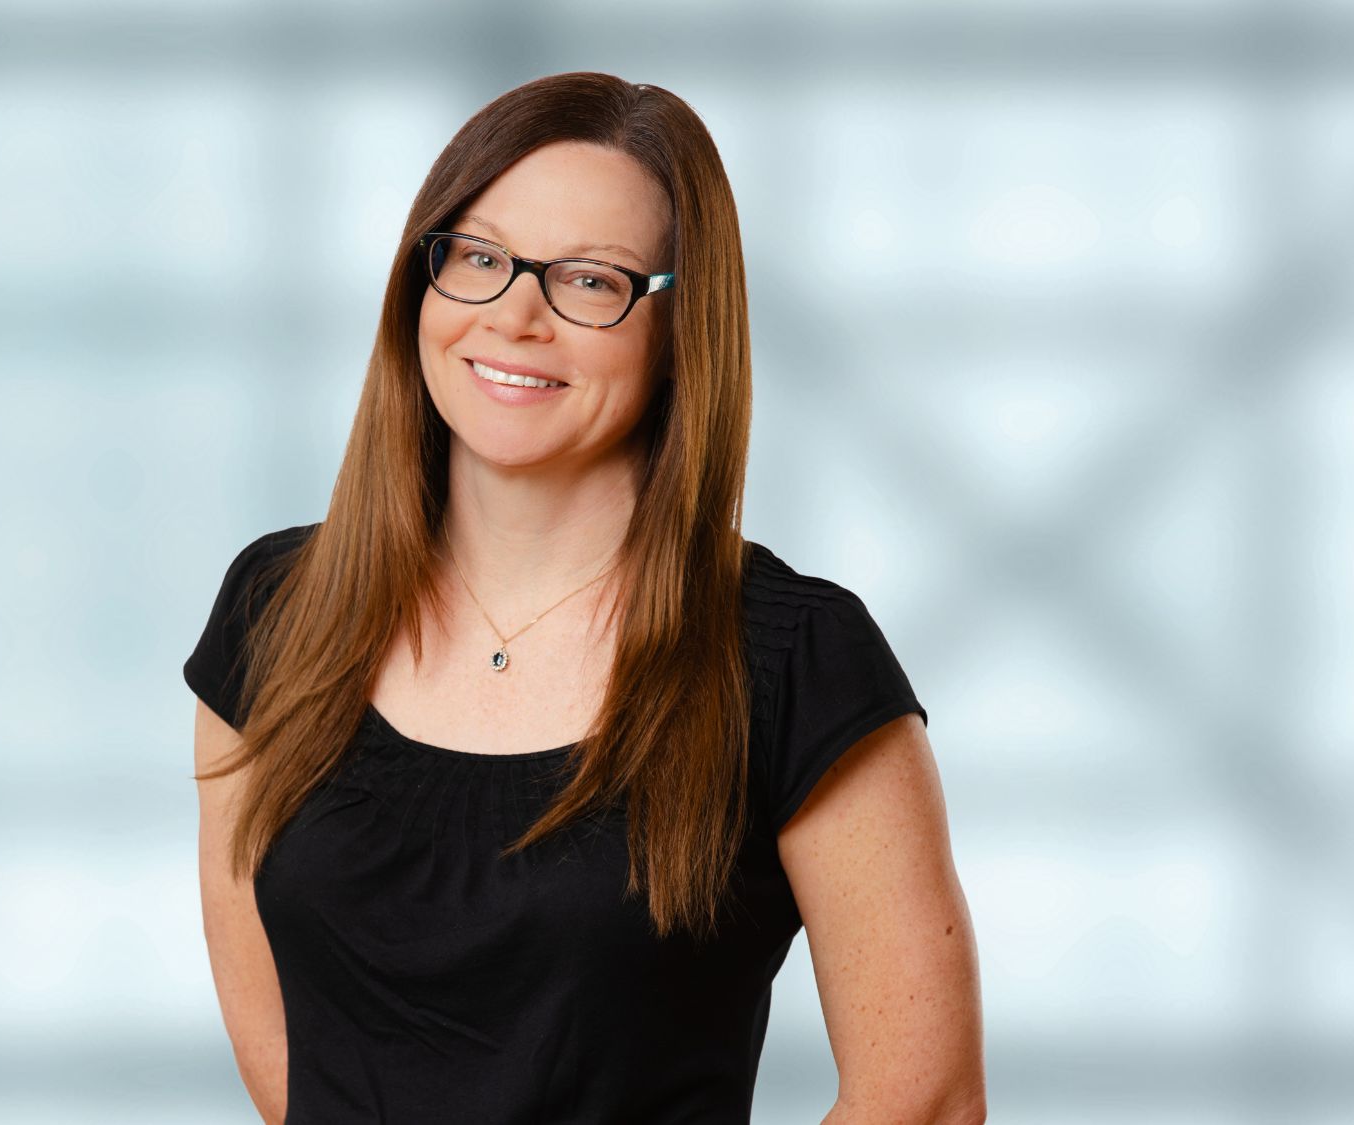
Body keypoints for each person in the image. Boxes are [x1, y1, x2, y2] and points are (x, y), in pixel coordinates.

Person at [184, 72, 984, 1124]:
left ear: (674, 329)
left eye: (591, 281)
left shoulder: (794, 660)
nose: (515, 317)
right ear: (419, 285)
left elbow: (922, 1097)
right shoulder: (276, 609)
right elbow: (286, 1059)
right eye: (477, 257)